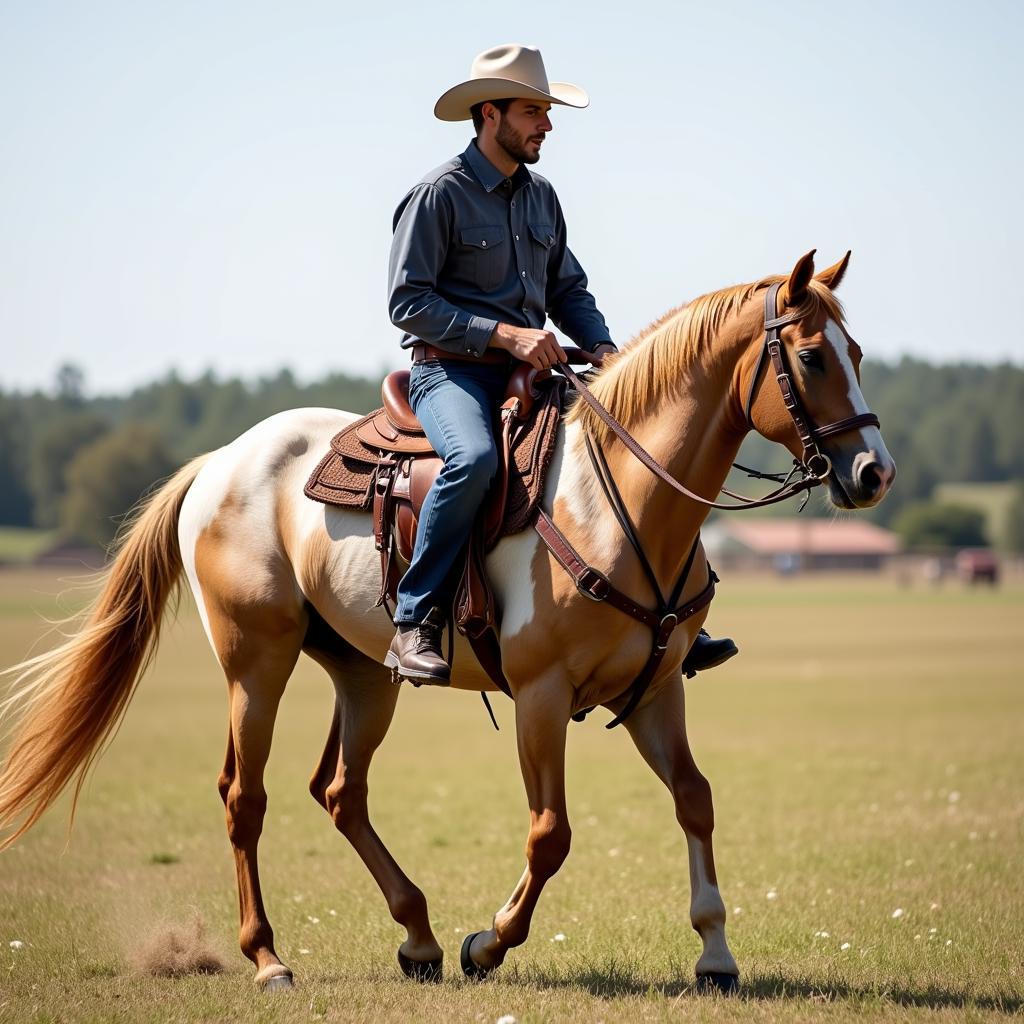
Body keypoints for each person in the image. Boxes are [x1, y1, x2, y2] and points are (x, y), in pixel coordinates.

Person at [384, 43, 735, 684]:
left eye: (547, 111)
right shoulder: (438, 195)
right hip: (452, 373)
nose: (546, 123)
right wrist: (506, 336)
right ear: (489, 114)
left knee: (641, 447)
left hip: (539, 373)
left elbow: (568, 290)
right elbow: (409, 304)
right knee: (475, 461)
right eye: (532, 111)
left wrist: (606, 350)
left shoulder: (542, 197)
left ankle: (682, 614)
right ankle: (414, 621)